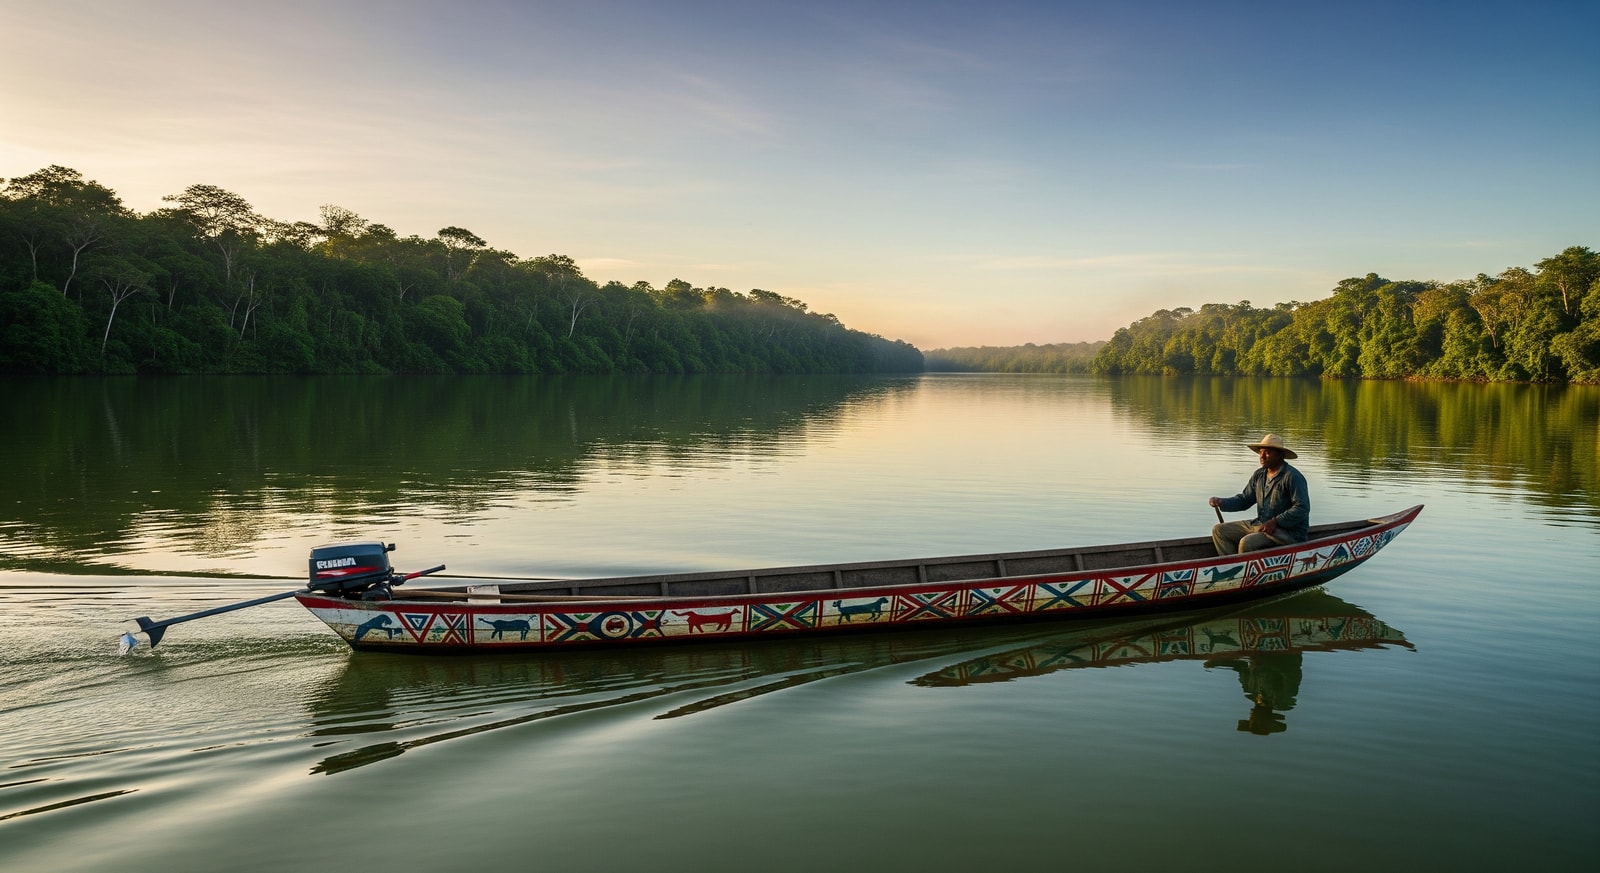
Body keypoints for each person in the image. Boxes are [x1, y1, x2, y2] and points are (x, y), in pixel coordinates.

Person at [1209, 434, 1310, 555]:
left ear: (1280, 455)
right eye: (1260, 452)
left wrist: (1276, 522)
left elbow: (1302, 508)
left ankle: (1246, 571)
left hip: (1288, 533)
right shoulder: (1259, 475)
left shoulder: (1292, 477)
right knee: (1219, 530)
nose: (1262, 456)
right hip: (1261, 525)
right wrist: (1222, 502)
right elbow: (1245, 499)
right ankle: (1231, 568)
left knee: (1247, 543)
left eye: (1267, 452)